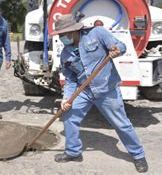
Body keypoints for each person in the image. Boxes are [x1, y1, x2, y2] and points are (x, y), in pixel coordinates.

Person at [51, 14, 148, 173]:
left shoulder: (97, 33)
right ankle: (73, 152)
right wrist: (67, 99)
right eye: (60, 35)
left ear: (74, 30)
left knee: (121, 123)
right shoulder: (65, 54)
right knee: (69, 115)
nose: (61, 38)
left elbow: (120, 46)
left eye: (63, 34)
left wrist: (117, 50)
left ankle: (138, 155)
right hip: (85, 91)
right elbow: (70, 79)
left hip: (106, 89)